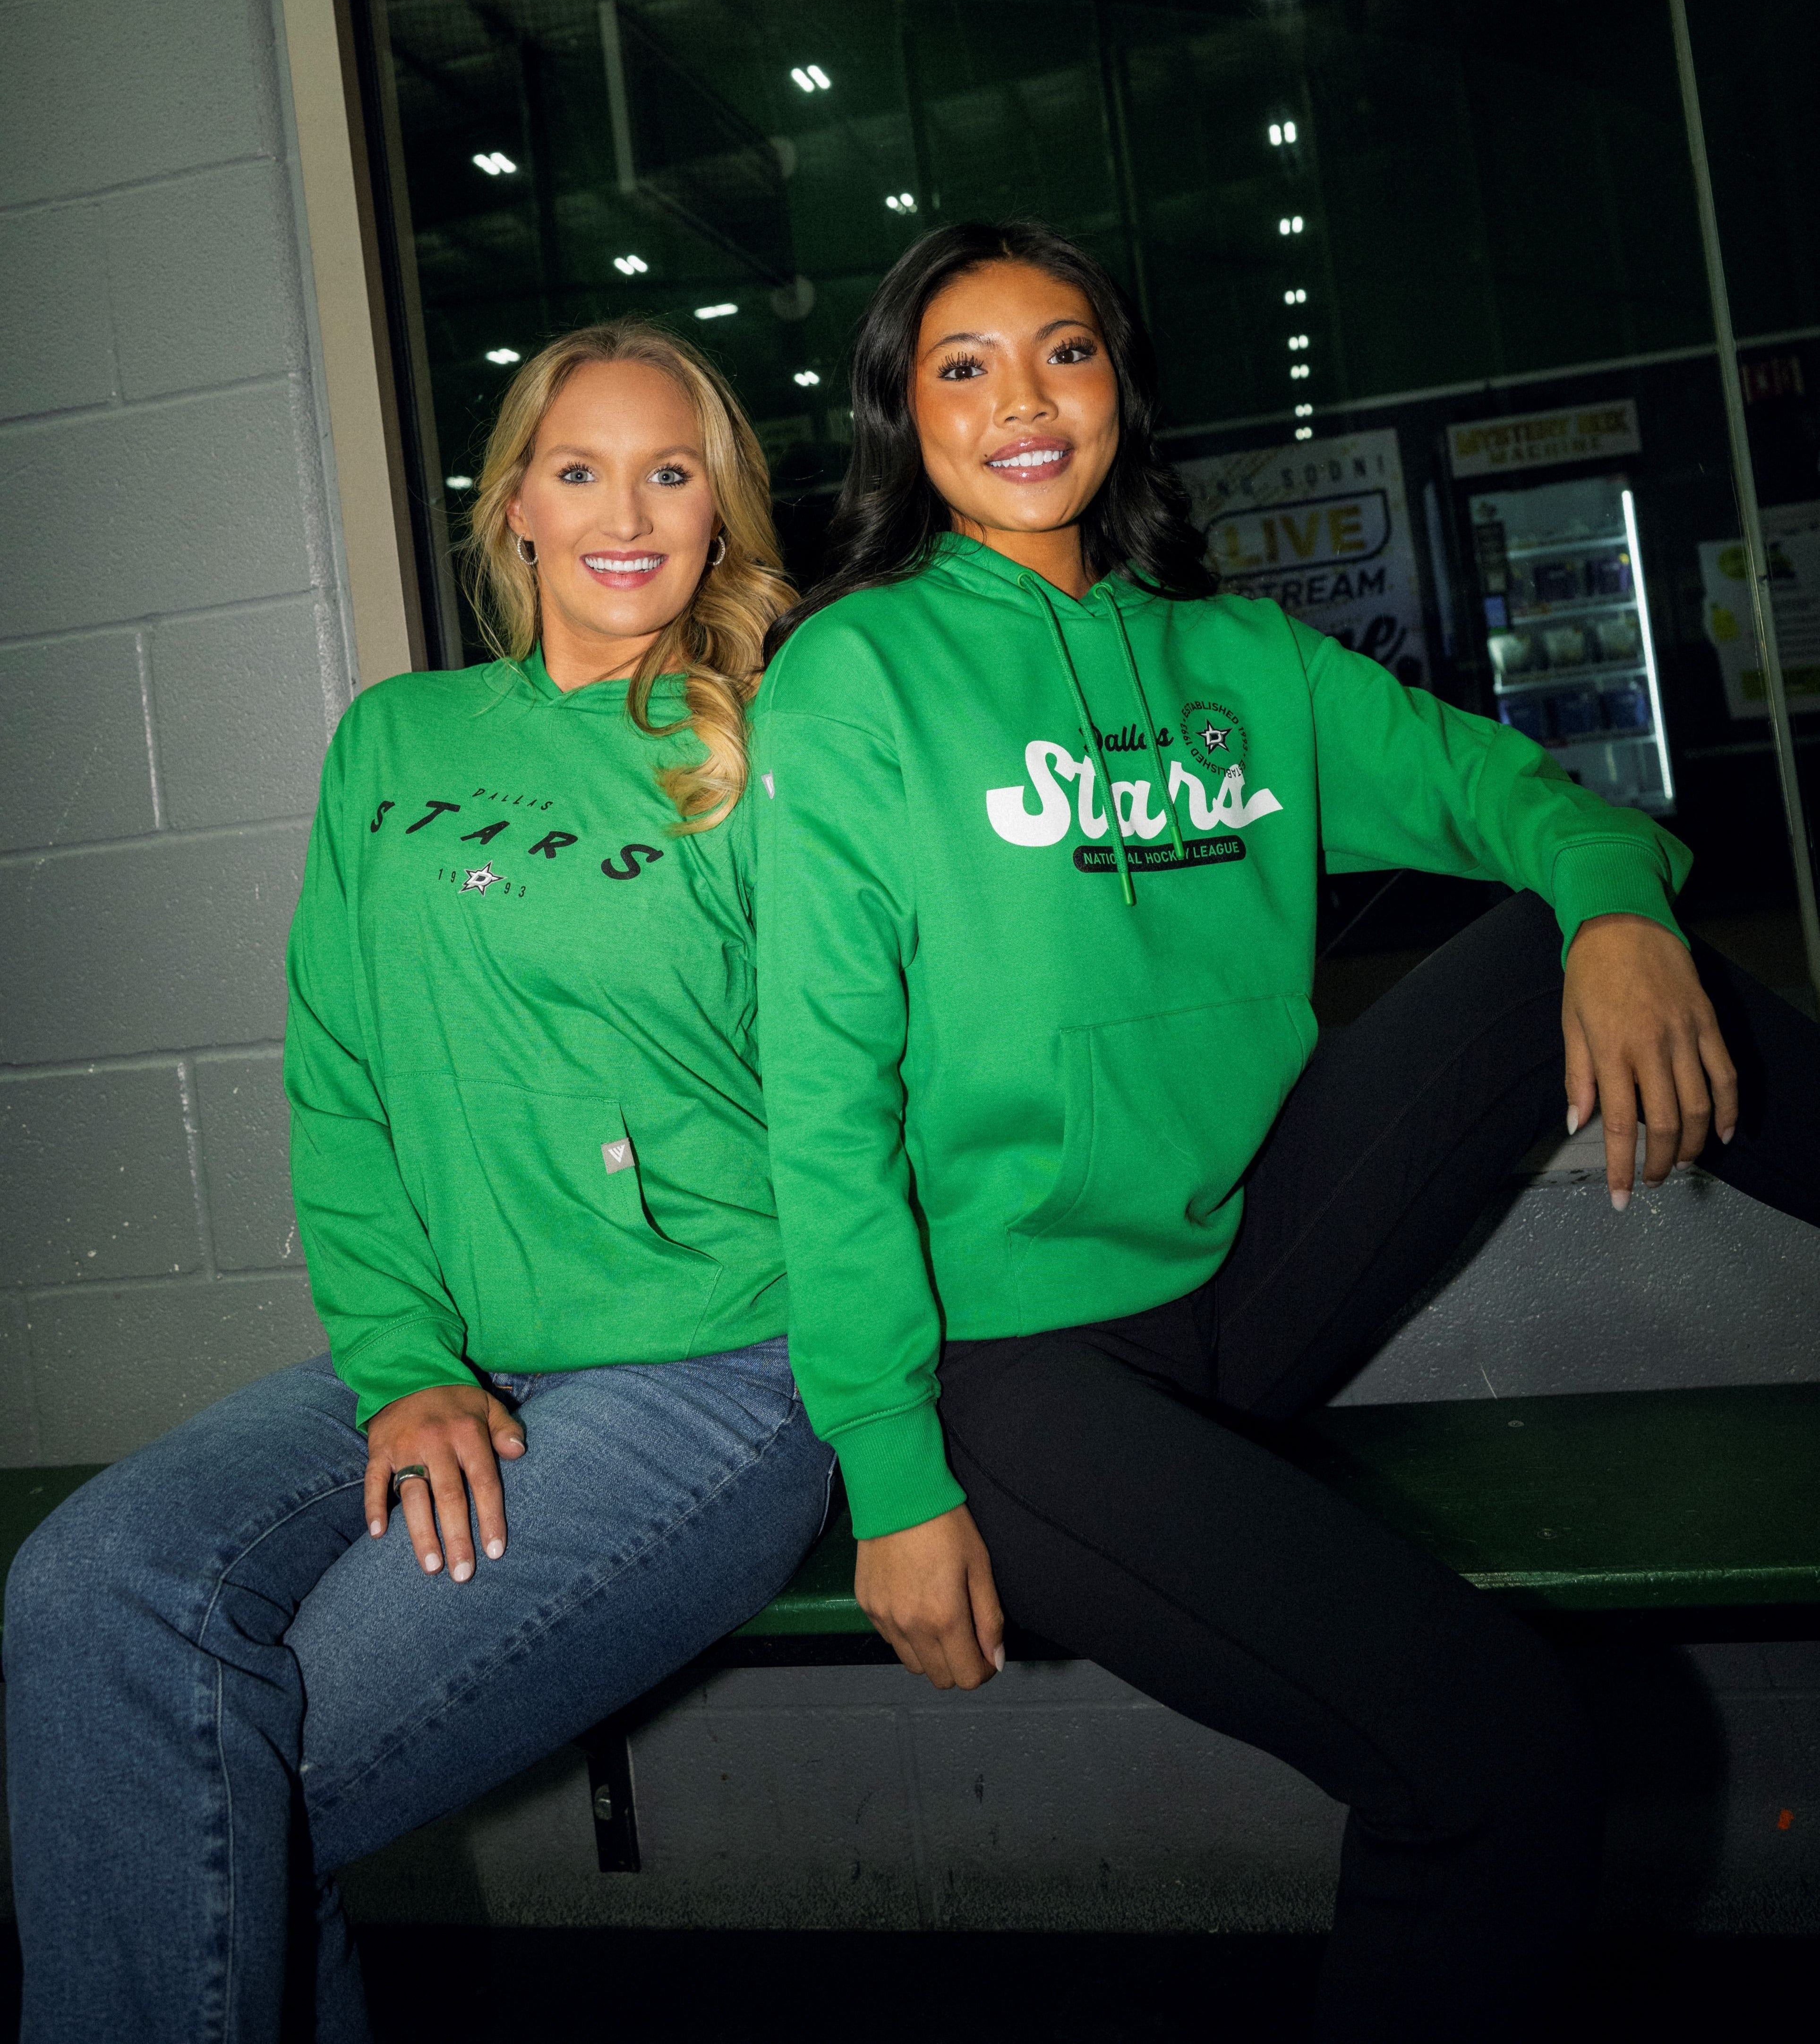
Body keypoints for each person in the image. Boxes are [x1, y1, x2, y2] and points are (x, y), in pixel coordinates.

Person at [750, 221, 1820, 2040]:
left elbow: (1513, 794)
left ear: (1121, 391)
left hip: (1245, 1279)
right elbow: (821, 1100)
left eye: (1064, 351)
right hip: (1013, 1367)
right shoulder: (857, 680)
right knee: (1495, 1759)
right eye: (961, 365)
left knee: (1539, 939)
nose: (1022, 398)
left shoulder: (1244, 658)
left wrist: (1621, 911)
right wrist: (891, 1471)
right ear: (899, 422)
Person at [4, 322, 832, 2043]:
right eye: (581, 467)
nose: (627, 510)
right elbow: (343, 1076)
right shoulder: (394, 740)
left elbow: (852, 1111)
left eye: (671, 470)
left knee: (201, 1789)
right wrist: (407, 1372)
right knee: (86, 1591)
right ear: (513, 500)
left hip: (717, 1369)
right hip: (447, 1350)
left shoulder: (774, 748)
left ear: (720, 505)